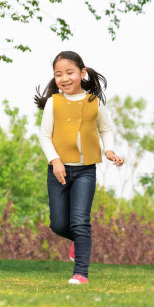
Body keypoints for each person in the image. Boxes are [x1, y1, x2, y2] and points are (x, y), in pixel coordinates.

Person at [35, 51, 124, 284]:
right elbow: (45, 135)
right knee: (59, 224)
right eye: (58, 74)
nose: (64, 78)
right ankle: (78, 240)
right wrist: (55, 160)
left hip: (85, 169)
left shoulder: (93, 102)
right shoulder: (54, 102)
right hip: (59, 170)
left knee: (80, 221)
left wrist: (109, 150)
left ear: (82, 73)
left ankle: (80, 273)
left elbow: (106, 129)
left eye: (69, 73)